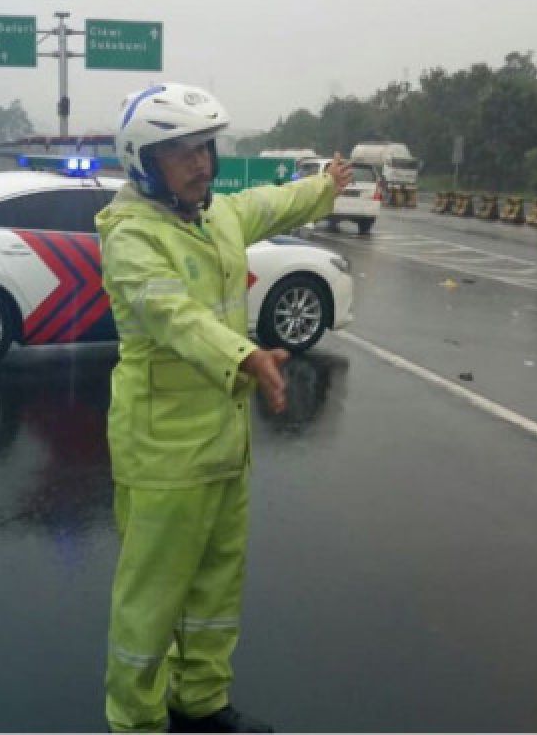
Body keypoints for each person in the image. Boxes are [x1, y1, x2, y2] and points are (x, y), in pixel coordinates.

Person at [95, 83, 353, 733]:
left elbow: (269, 201)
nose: (202, 165)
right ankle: (135, 721)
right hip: (163, 455)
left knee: (215, 592)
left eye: (205, 149)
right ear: (144, 163)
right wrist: (244, 356)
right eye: (181, 153)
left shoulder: (214, 217)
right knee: (150, 608)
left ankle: (201, 703)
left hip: (224, 448)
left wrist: (323, 186)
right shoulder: (131, 236)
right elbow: (170, 314)